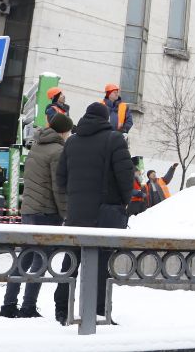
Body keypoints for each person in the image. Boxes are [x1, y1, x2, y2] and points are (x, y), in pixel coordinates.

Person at [54, 102, 133, 326]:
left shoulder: (71, 142)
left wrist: (74, 201)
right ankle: (98, 311)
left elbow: (60, 179)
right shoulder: (114, 139)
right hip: (103, 215)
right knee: (101, 265)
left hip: (76, 215)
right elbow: (125, 178)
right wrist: (123, 202)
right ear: (106, 118)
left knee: (70, 263)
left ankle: (62, 310)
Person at [0, 113, 71, 319]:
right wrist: (65, 213)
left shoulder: (36, 146)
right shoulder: (58, 151)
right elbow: (58, 187)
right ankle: (28, 306)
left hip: (29, 210)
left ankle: (8, 304)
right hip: (46, 212)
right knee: (41, 260)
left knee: (25, 256)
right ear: (64, 131)